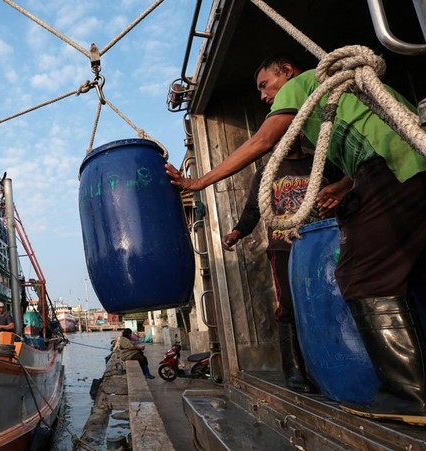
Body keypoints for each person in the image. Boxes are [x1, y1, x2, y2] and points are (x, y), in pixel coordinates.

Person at [166, 54, 426, 422]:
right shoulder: (342, 97)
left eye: (264, 85)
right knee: (411, 272)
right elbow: (375, 136)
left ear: (287, 72)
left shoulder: (303, 85)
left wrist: (198, 182)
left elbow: (261, 140)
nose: (263, 96)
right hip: (410, 164)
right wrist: (343, 185)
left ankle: (409, 395)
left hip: (392, 169)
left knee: (364, 275)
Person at [222, 138, 347, 393]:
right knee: (289, 306)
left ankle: (338, 363)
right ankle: (295, 372)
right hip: (284, 248)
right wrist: (237, 232)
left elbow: (345, 191)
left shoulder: (322, 162)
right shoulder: (266, 172)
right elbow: (252, 210)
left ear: (300, 135)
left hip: (325, 244)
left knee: (334, 301)